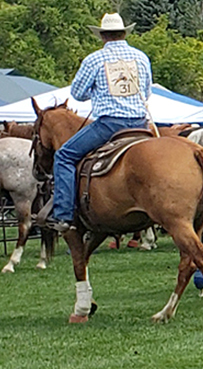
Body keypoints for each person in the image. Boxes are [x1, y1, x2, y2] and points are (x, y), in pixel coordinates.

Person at [44, 13, 154, 233]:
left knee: (64, 156)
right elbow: (147, 91)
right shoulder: (141, 57)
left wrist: (95, 92)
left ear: (103, 36)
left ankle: (63, 215)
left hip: (109, 125)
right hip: (140, 124)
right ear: (124, 34)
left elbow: (77, 93)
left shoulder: (94, 59)